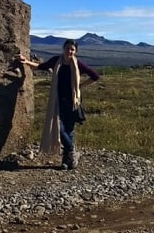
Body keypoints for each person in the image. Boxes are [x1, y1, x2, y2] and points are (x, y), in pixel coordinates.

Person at [19, 39, 100, 169]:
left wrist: (80, 86)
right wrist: (26, 61)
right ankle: (73, 151)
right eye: (68, 48)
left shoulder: (78, 63)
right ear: (63, 48)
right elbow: (41, 66)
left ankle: (67, 161)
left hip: (73, 102)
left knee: (69, 131)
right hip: (57, 102)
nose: (70, 51)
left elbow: (95, 76)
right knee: (59, 129)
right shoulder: (56, 61)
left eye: (72, 49)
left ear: (76, 51)